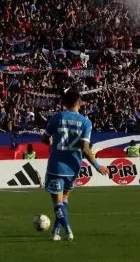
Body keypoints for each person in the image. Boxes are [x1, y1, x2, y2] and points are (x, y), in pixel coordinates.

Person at [42, 86, 107, 242]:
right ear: (80, 102)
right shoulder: (86, 122)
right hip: (73, 167)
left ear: (65, 103)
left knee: (57, 202)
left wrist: (51, 142)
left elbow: (45, 139)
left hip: (56, 165)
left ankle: (68, 230)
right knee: (64, 200)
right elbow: (85, 148)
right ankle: (56, 232)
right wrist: (97, 166)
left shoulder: (57, 118)